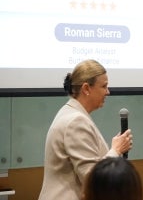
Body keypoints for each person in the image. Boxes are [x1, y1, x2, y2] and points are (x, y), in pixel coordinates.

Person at [38, 59, 133, 200]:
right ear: (86, 89)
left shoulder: (71, 112)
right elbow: (91, 179)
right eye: (104, 86)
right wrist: (115, 150)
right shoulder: (76, 121)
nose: (108, 92)